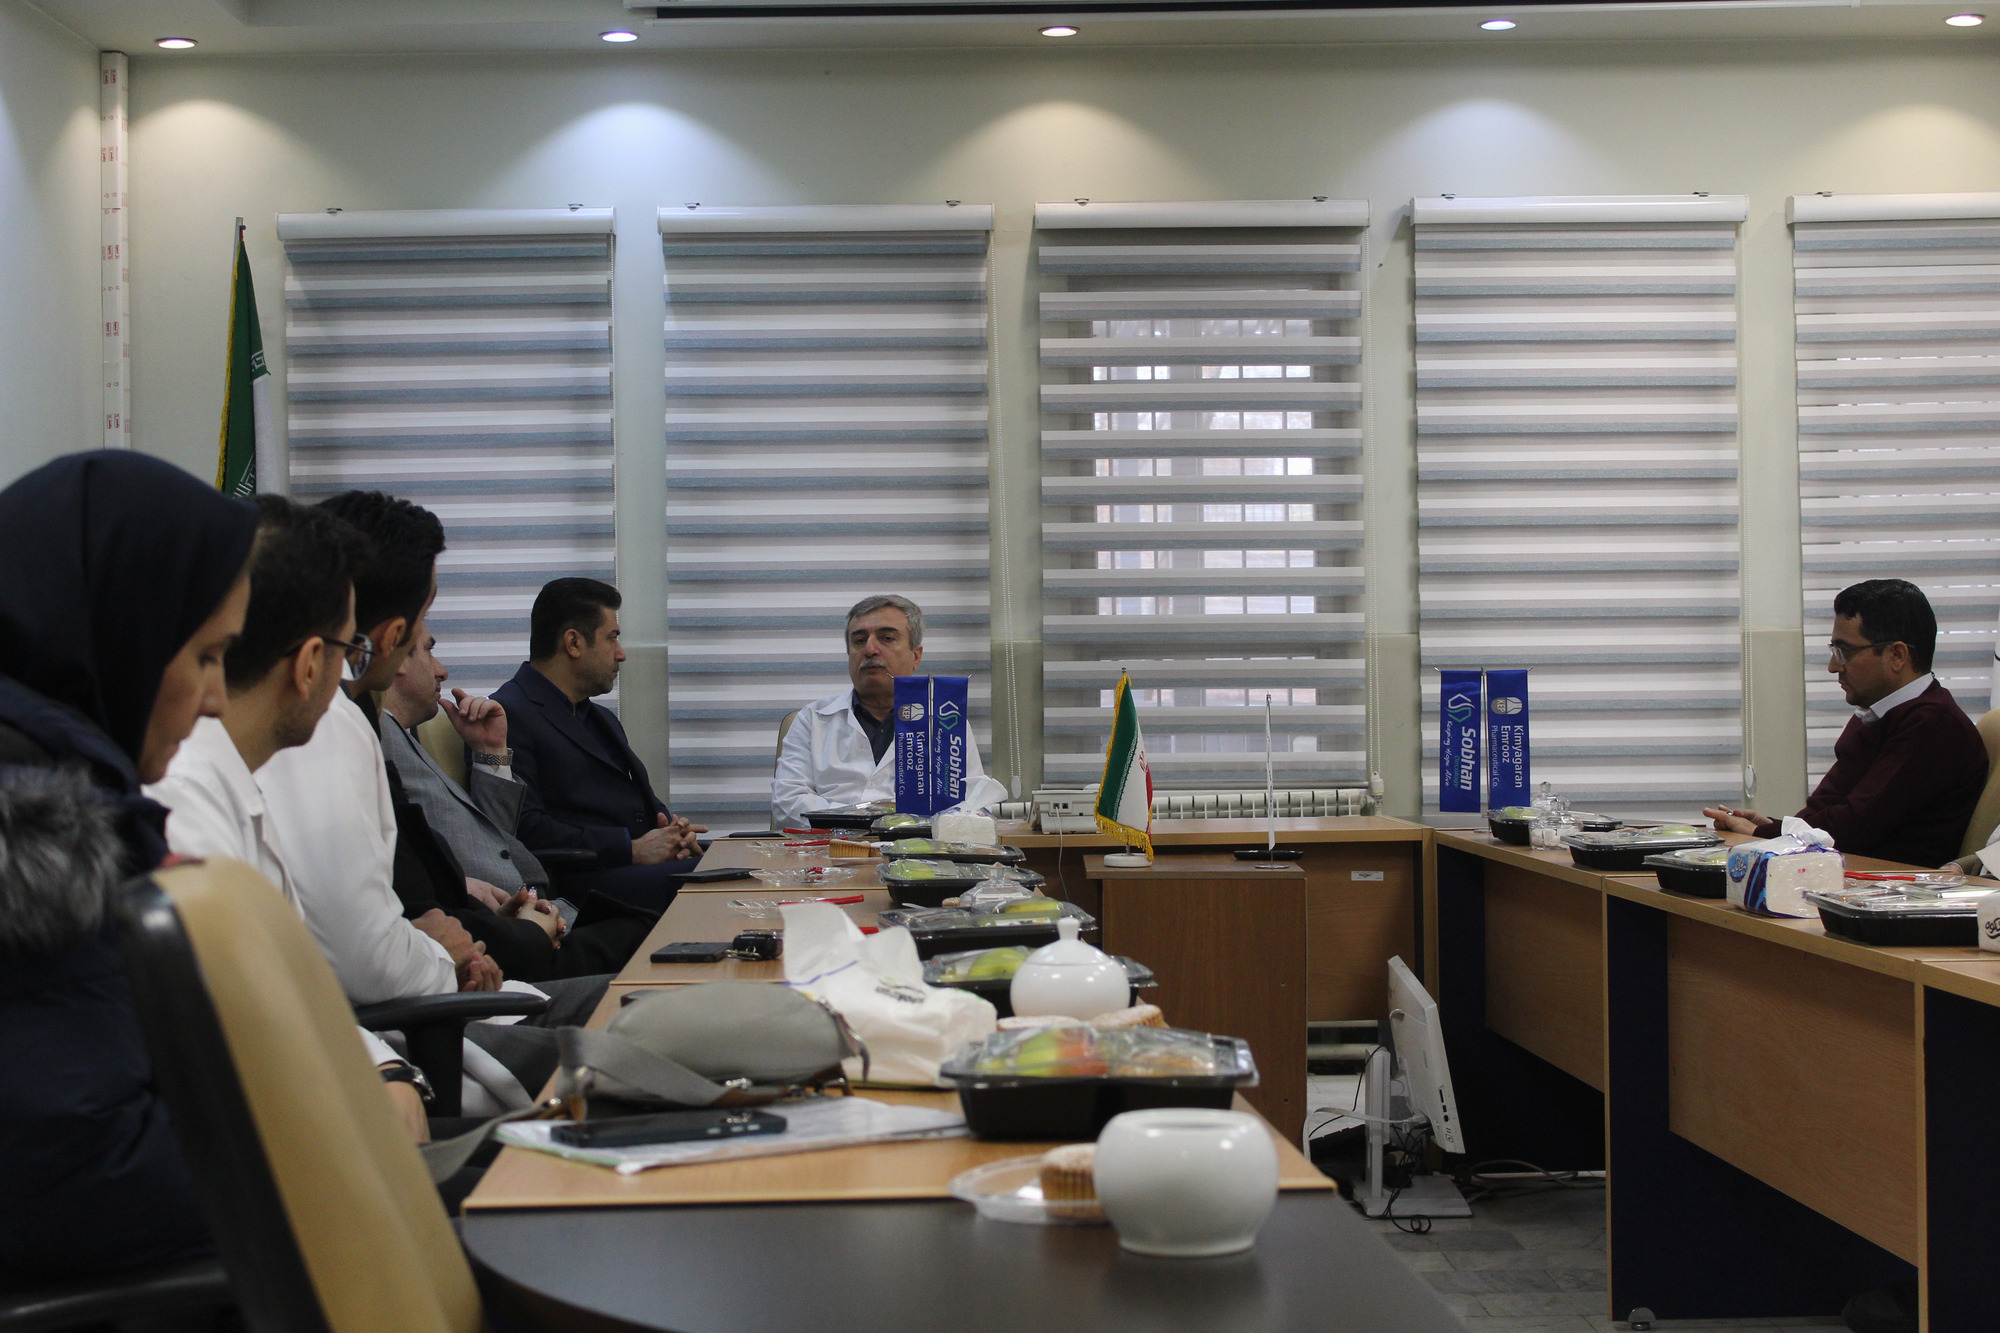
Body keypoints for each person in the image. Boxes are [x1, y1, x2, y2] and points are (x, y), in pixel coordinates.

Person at [0, 449, 256, 1281]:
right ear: (124, 633)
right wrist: (322, 1141)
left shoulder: (62, 786)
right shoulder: (37, 833)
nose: (216, 700)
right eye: (207, 656)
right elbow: (87, 1177)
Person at [256, 492, 602, 1106]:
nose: (436, 663)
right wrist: (448, 956)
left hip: (432, 998)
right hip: (411, 1036)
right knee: (652, 1036)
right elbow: (363, 953)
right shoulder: (323, 725)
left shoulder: (337, 722)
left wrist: (448, 942)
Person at [144, 495, 432, 1141]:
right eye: (349, 649)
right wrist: (385, 1071)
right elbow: (253, 1016)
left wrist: (384, 1067)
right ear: (308, 665)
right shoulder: (185, 795)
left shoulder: (228, 777)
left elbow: (295, 993)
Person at [378, 630, 654, 979]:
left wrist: (491, 752)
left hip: (526, 909)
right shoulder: (374, 737)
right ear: (395, 654)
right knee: (654, 937)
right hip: (496, 930)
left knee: (651, 931)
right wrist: (460, 885)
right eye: (429, 652)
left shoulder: (403, 735)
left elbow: (497, 837)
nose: (442, 670)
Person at [1705, 579, 1988, 867]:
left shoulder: (1933, 725)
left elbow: (1854, 828)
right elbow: (1826, 810)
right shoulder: (1878, 714)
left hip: (1891, 884)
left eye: (1845, 652)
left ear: (1897, 655)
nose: (1833, 666)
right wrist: (1772, 827)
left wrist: (1763, 834)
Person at [492, 578, 701, 911]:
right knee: (733, 879)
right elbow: (524, 828)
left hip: (629, 872)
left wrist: (672, 831)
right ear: (573, 642)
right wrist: (632, 849)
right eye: (612, 637)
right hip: (577, 886)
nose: (621, 654)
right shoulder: (508, 715)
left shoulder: (599, 717)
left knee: (742, 862)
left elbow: (636, 803)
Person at [772, 593, 1007, 829]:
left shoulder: (945, 722)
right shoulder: (812, 720)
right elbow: (787, 804)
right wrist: (864, 820)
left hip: (916, 848)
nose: (870, 649)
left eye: (886, 638)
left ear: (915, 656)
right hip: (830, 848)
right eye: (859, 640)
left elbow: (971, 807)